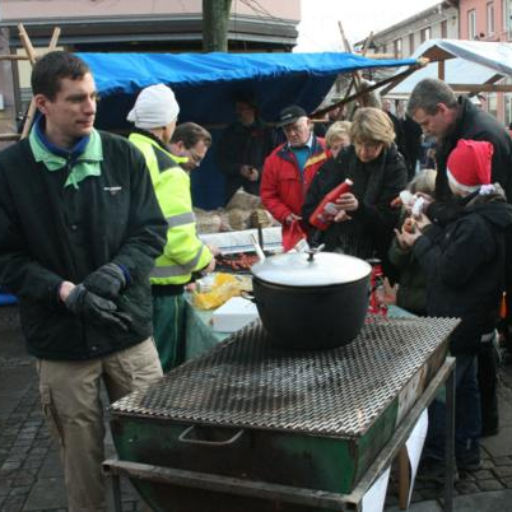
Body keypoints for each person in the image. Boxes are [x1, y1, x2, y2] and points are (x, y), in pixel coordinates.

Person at [0, 52, 167, 511]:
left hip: (126, 330)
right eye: (76, 99)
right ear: (43, 103)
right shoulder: (10, 172)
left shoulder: (121, 155)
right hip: (61, 343)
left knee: (158, 448)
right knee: (80, 461)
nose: (90, 107)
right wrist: (62, 291)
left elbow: (151, 229)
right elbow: (6, 257)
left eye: (92, 96)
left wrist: (121, 270)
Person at [399, 139, 512, 473]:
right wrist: (429, 216)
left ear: (458, 180)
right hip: (475, 318)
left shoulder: (476, 225)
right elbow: (454, 233)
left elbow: (449, 271)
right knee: (467, 388)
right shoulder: (485, 209)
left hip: (458, 321)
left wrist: (419, 241)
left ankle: (437, 461)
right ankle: (467, 453)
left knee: (444, 395)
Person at [408, 78, 512, 431]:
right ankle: (473, 438)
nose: (426, 133)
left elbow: (473, 212)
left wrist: (427, 229)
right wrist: (433, 210)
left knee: (468, 369)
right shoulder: (463, 128)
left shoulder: (485, 136)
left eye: (426, 124)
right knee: (470, 370)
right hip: (472, 282)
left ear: (442, 109)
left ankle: (468, 438)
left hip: (471, 295)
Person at [127, 85, 215, 372]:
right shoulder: (168, 169)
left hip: (126, 282)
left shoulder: (122, 152)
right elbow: (176, 239)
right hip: (162, 292)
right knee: (162, 371)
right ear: (167, 124)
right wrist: (204, 259)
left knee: (134, 367)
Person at [302, 107, 407, 276]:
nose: (363, 152)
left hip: (375, 254)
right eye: (359, 144)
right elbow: (318, 196)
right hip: (339, 246)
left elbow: (388, 219)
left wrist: (358, 209)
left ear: (383, 142)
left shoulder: (395, 166)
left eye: (371, 146)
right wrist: (334, 212)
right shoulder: (345, 156)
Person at [260, 105, 328, 247]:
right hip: (295, 231)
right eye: (287, 129)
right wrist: (285, 215)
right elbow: (268, 194)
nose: (291, 133)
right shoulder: (274, 159)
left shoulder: (329, 150)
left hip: (329, 226)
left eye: (296, 128)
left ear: (309, 124)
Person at [388, 169, 437, 316]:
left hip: (425, 306)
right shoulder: (408, 217)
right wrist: (401, 247)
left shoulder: (441, 227)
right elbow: (395, 260)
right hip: (406, 298)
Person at [216, 95, 276, 202]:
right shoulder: (229, 133)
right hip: (234, 192)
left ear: (252, 109)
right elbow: (221, 161)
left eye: (242, 109)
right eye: (237, 109)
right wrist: (239, 169)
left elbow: (276, 161)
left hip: (259, 191)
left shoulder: (268, 133)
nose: (238, 113)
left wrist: (259, 172)